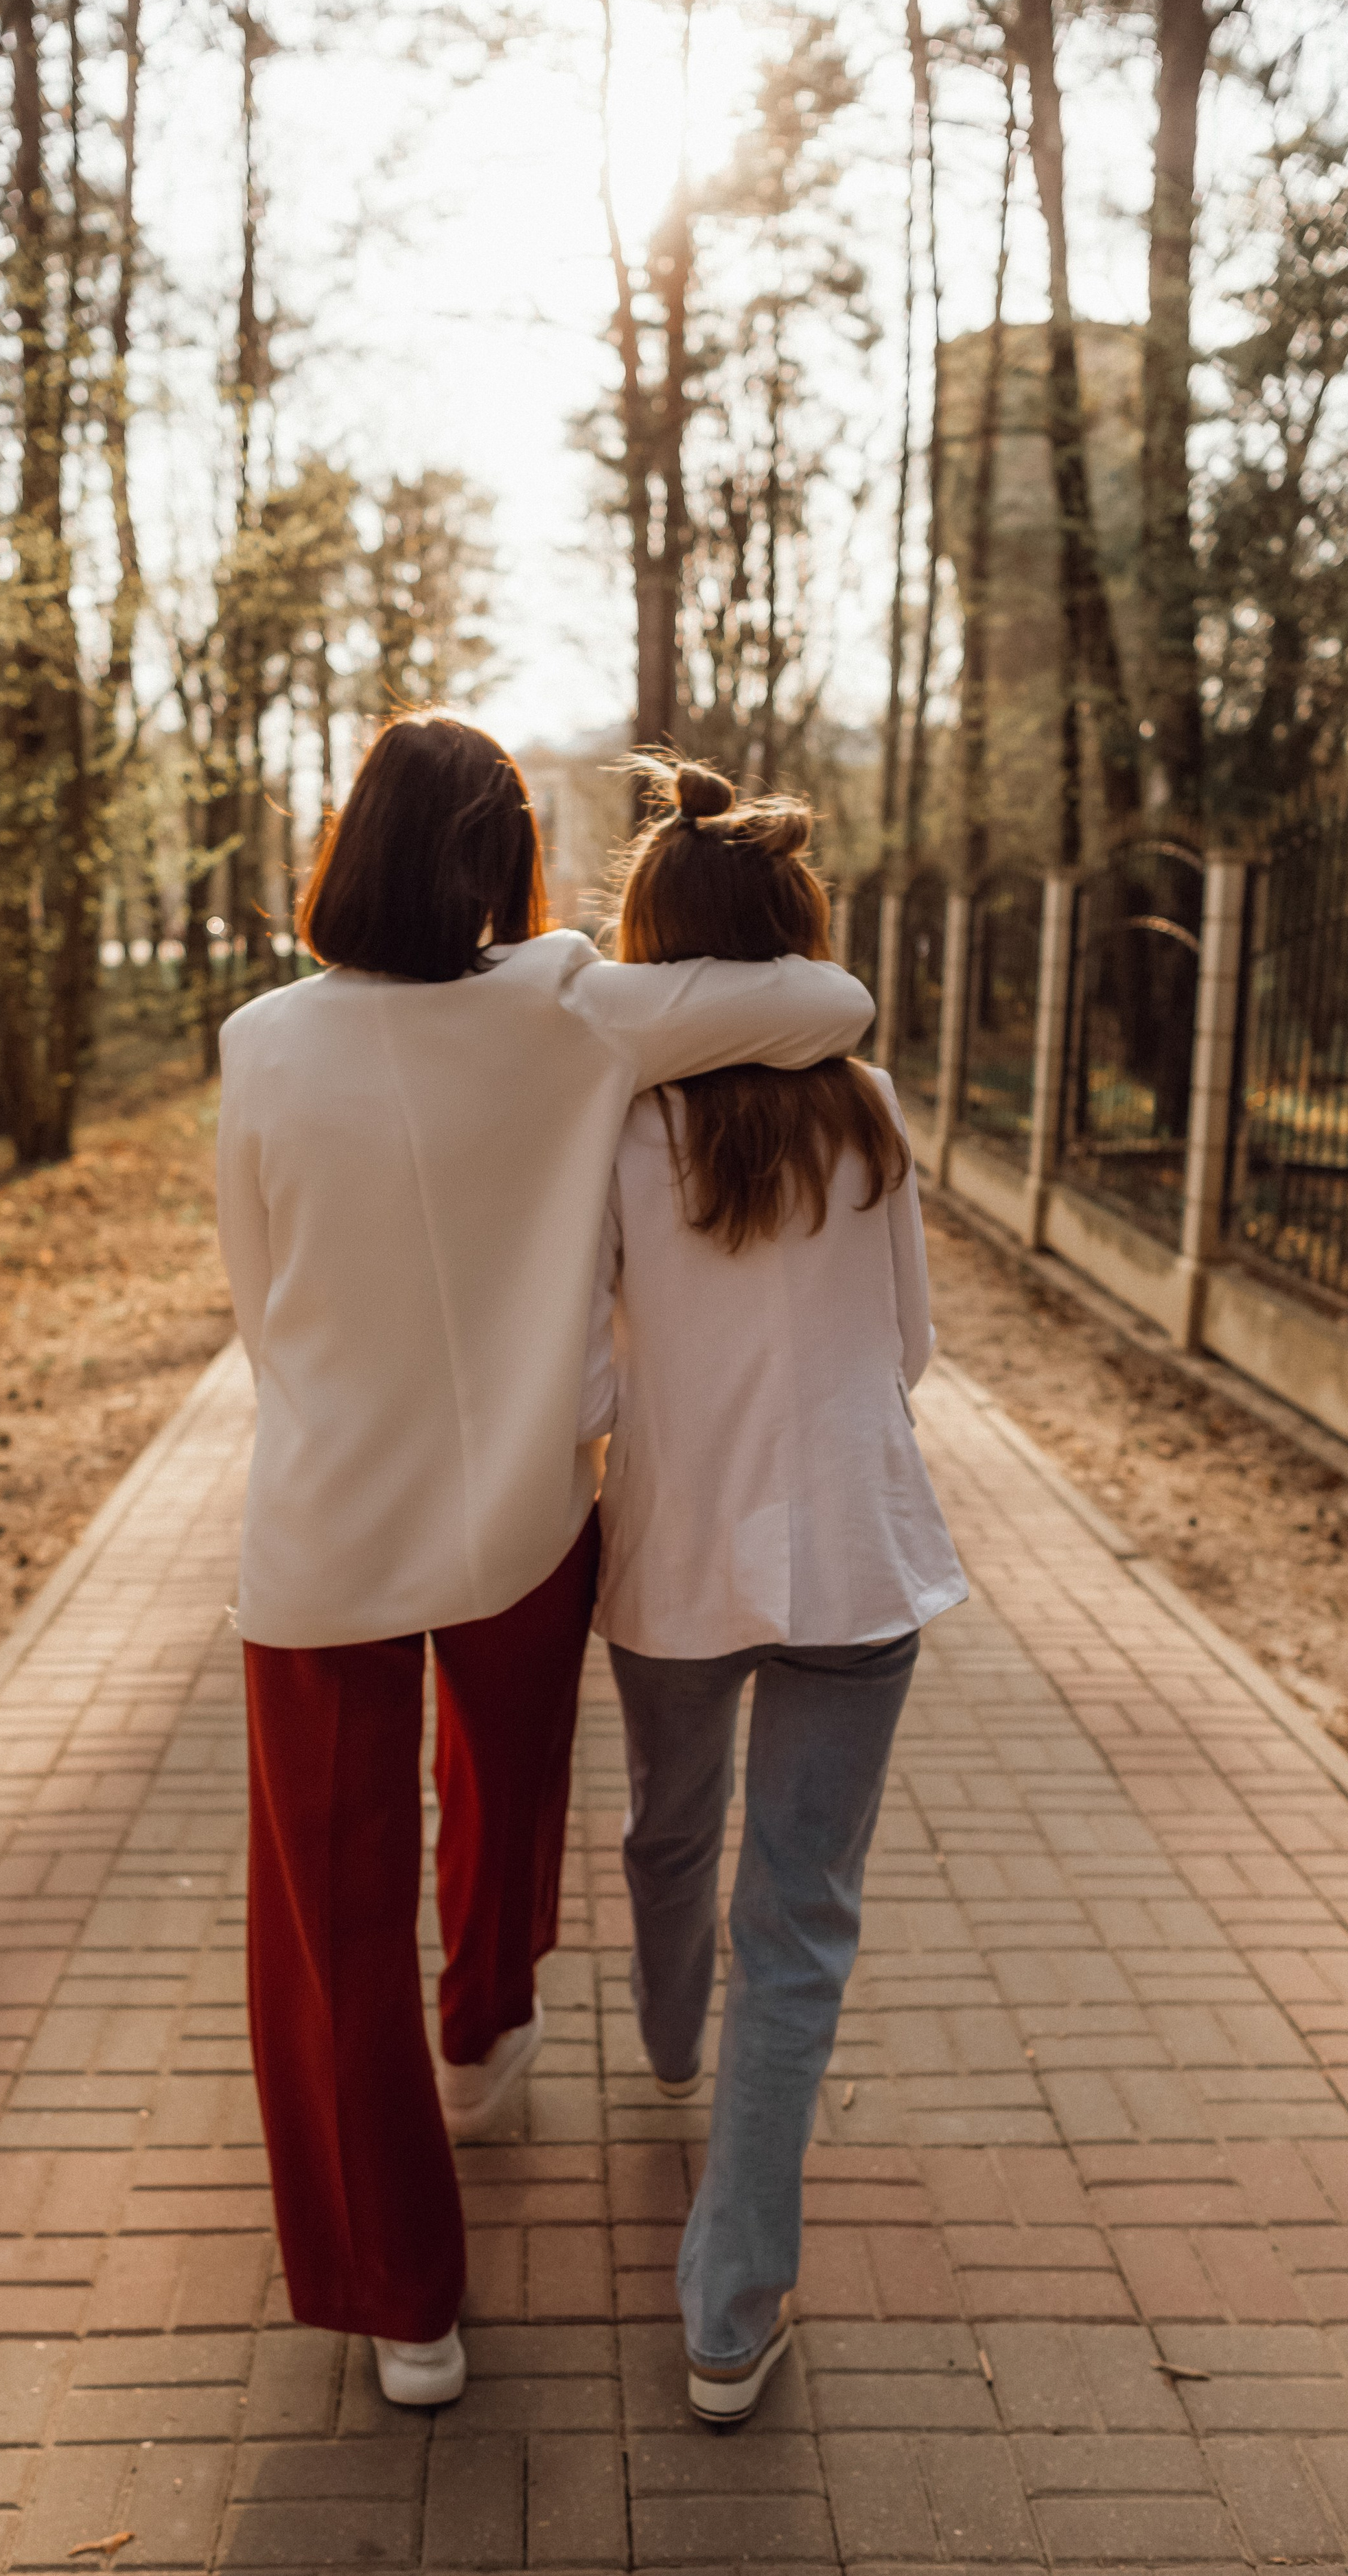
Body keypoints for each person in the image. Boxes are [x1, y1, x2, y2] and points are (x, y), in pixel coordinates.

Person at [215, 711, 872, 2411]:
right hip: (520, 1519)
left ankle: (404, 2303)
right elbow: (829, 1006)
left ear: (348, 851)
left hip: (320, 1531)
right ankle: (488, 2033)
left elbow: (252, 1288)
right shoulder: (572, 1006)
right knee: (505, 1789)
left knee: (325, 1913)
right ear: (504, 864)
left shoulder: (261, 1044)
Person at [581, 758, 967, 2425]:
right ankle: (729, 2311)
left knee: (672, 1822)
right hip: (856, 1557)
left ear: (654, 947)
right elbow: (909, 1350)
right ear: (793, 934)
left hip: (669, 1559)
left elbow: (586, 1383)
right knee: (796, 1925)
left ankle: (667, 2039)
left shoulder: (617, 1123)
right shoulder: (869, 1106)